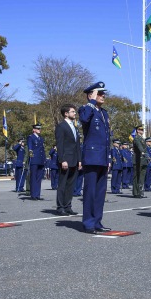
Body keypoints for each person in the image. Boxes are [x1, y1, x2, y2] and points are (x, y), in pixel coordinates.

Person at [78, 81, 112, 234]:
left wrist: (109, 157)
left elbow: (106, 138)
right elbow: (84, 120)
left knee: (100, 192)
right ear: (91, 94)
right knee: (90, 191)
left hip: (103, 157)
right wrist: (91, 101)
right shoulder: (85, 109)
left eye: (103, 93)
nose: (103, 95)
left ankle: (97, 221)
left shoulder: (104, 113)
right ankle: (88, 223)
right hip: (91, 156)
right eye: (99, 93)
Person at [55, 103, 81, 216]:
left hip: (75, 160)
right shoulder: (61, 126)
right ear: (66, 114)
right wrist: (62, 160)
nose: (75, 113)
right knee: (62, 184)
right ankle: (60, 207)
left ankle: (68, 206)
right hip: (66, 160)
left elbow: (77, 145)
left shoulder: (75, 127)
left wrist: (80, 160)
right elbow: (60, 145)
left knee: (71, 185)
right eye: (72, 111)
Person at [27, 124, 46, 200]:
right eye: (37, 129)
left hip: (41, 160)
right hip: (34, 160)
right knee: (33, 178)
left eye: (40, 129)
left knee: (39, 178)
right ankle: (33, 195)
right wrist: (31, 157)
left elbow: (43, 150)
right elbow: (30, 148)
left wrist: (44, 160)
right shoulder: (31, 137)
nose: (39, 130)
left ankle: (38, 195)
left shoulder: (41, 139)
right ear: (34, 130)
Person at [132, 125, 148, 198]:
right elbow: (139, 146)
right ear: (137, 130)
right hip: (138, 160)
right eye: (140, 130)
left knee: (142, 177)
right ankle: (136, 193)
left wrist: (148, 157)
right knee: (137, 177)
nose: (142, 131)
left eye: (142, 130)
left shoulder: (142, 139)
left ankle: (140, 192)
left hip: (143, 160)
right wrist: (142, 152)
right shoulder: (136, 138)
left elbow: (145, 149)